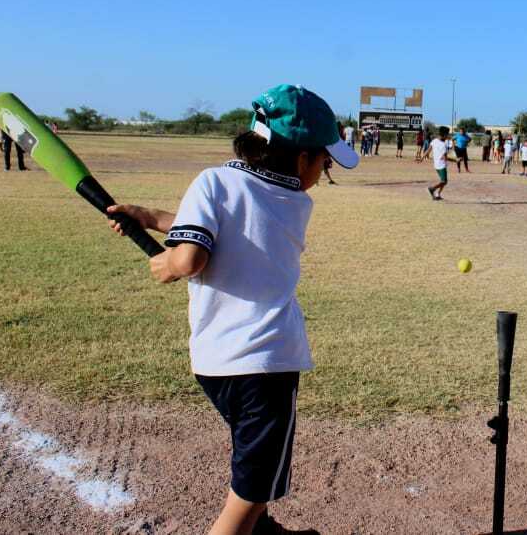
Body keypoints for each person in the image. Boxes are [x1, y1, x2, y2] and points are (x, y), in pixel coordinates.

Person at [107, 84, 357, 535]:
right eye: (324, 160)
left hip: (216, 364)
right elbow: (194, 256)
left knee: (252, 468)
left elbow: (208, 234)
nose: (325, 169)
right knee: (247, 498)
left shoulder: (215, 182)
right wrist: (166, 248)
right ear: (301, 161)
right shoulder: (295, 200)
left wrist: (162, 236)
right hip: (266, 365)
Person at [426, 126, 451, 200]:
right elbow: (444, 158)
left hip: (436, 165)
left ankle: (437, 194)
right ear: (443, 134)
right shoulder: (444, 145)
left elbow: (428, 150)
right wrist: (456, 160)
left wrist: (422, 158)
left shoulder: (434, 141)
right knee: (444, 181)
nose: (448, 136)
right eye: (447, 134)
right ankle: (432, 189)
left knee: (443, 181)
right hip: (441, 165)